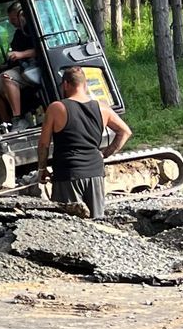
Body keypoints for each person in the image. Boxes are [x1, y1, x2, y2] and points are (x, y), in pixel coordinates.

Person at [35, 65, 132, 218]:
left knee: (69, 224)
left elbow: (43, 144)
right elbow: (125, 132)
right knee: (97, 222)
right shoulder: (102, 108)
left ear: (66, 84)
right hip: (95, 172)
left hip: (67, 174)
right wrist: (105, 154)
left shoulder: (56, 108)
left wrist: (42, 169)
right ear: (85, 84)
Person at [0, 2, 43, 122]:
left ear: (22, 14)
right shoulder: (19, 33)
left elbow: (42, 49)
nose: (12, 23)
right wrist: (4, 65)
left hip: (39, 66)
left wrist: (21, 54)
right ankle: (7, 124)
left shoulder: (35, 28)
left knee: (7, 77)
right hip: (25, 68)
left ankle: (18, 118)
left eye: (13, 19)